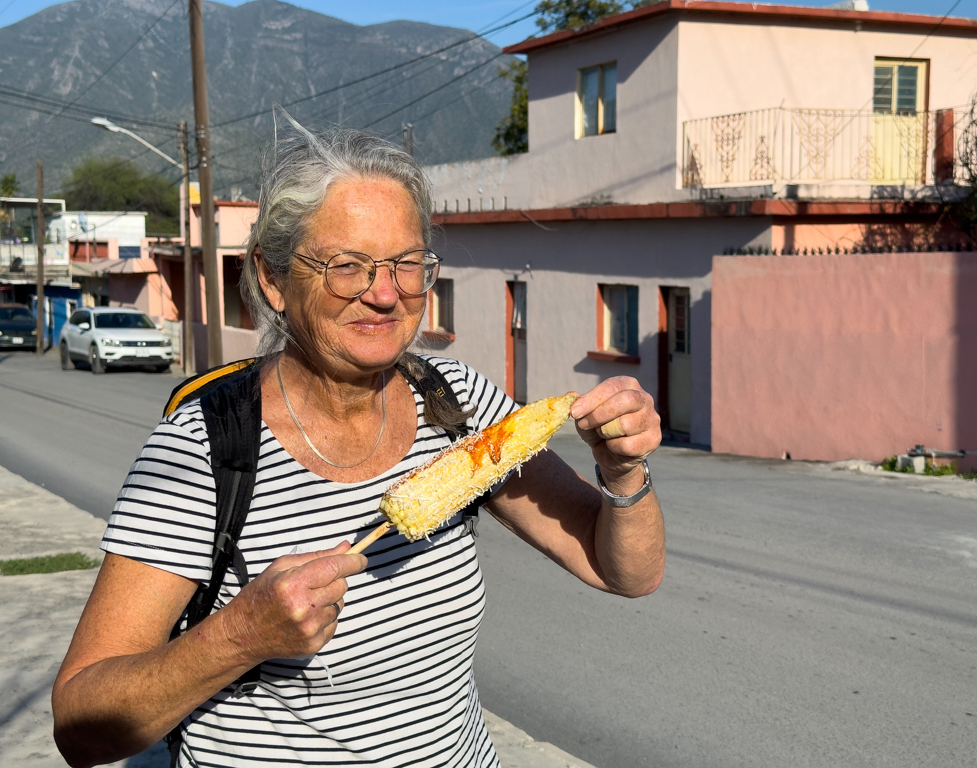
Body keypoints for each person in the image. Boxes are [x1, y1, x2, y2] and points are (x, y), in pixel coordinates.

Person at [52, 121, 665, 768]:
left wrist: (623, 473)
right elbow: (82, 725)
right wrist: (238, 636)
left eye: (407, 264)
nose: (385, 293)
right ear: (272, 278)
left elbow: (623, 570)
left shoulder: (456, 403)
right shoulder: (201, 453)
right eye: (346, 265)